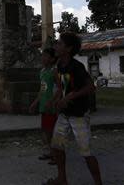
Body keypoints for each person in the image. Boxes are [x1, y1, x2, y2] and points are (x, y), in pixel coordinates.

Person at [44, 32, 102, 185]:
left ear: (68, 49)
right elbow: (62, 88)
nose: (56, 46)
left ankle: (98, 183)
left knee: (86, 152)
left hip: (79, 115)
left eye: (59, 43)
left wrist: (69, 97)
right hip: (65, 115)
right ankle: (62, 179)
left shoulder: (77, 67)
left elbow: (90, 87)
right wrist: (53, 100)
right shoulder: (59, 66)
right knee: (57, 146)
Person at [30, 47, 58, 165]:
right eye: (42, 55)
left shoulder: (54, 71)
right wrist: (35, 103)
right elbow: (42, 89)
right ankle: (50, 152)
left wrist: (52, 101)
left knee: (52, 131)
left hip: (51, 106)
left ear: (52, 59)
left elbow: (60, 89)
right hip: (44, 105)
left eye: (46, 56)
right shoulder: (42, 72)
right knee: (45, 130)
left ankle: (55, 155)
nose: (43, 58)